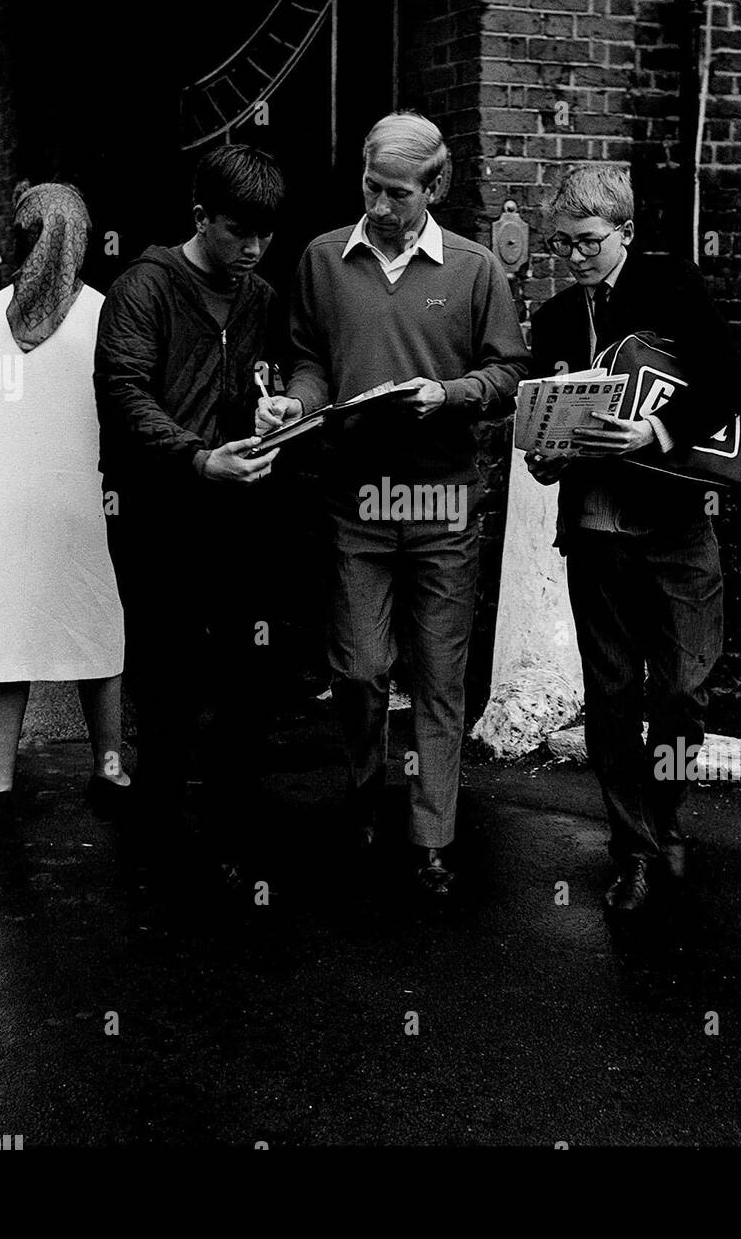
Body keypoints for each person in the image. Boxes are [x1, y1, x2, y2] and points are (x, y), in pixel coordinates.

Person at [256, 112, 529, 896]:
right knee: (361, 668)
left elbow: (509, 372)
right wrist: (293, 405)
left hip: (445, 504)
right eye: (371, 188)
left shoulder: (476, 270)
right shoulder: (321, 259)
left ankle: (432, 836)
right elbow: (309, 357)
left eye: (397, 194)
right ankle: (363, 788)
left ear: (434, 189)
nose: (379, 205)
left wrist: (449, 394)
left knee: (441, 677)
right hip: (356, 501)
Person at [526, 164, 741, 917]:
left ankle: (661, 814)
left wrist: (654, 430)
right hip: (593, 530)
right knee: (613, 697)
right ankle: (634, 850)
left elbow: (727, 378)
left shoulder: (670, 285)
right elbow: (541, 423)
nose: (575, 257)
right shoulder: (556, 317)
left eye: (589, 242)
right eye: (563, 244)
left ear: (624, 232)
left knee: (684, 691)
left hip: (676, 524)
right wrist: (545, 452)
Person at [95, 144, 287, 876]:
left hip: (239, 513)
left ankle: (233, 829)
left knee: (247, 674)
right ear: (200, 216)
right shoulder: (142, 287)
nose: (254, 248)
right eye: (239, 232)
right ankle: (158, 837)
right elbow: (123, 393)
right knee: (167, 675)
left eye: (265, 235)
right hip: (158, 513)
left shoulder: (260, 296)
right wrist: (198, 458)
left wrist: (271, 408)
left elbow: (262, 379)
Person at [0, 183, 128, 805]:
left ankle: (0, 779)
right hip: (83, 498)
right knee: (96, 629)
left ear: (20, 239)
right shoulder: (104, 312)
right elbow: (122, 409)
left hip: (3, 501)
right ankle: (106, 767)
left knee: (4, 634)